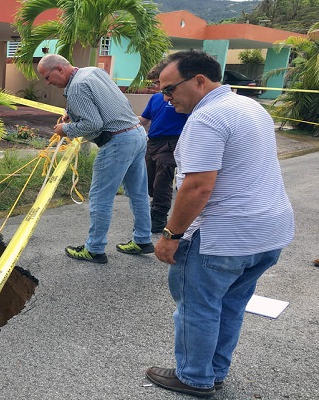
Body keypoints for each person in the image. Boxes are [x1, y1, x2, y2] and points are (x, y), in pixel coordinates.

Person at [147, 50, 295, 397]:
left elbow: (198, 187)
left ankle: (193, 377)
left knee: (197, 307)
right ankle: (214, 371)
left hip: (223, 237)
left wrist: (170, 235)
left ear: (199, 80)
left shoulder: (207, 118)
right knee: (230, 305)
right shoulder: (251, 108)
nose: (166, 100)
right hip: (269, 233)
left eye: (169, 90)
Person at [37, 54, 153, 264]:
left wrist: (66, 129)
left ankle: (94, 249)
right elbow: (104, 103)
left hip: (117, 141)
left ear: (59, 70)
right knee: (138, 192)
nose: (47, 83)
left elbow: (93, 125)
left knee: (101, 197)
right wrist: (72, 112)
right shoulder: (93, 72)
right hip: (137, 134)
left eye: (47, 77)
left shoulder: (77, 87)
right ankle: (143, 240)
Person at [139, 62, 189, 232]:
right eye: (153, 84)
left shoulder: (180, 99)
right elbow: (144, 120)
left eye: (157, 83)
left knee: (162, 182)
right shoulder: (155, 98)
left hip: (171, 143)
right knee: (148, 180)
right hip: (152, 142)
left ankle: (159, 218)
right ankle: (153, 209)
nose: (155, 87)